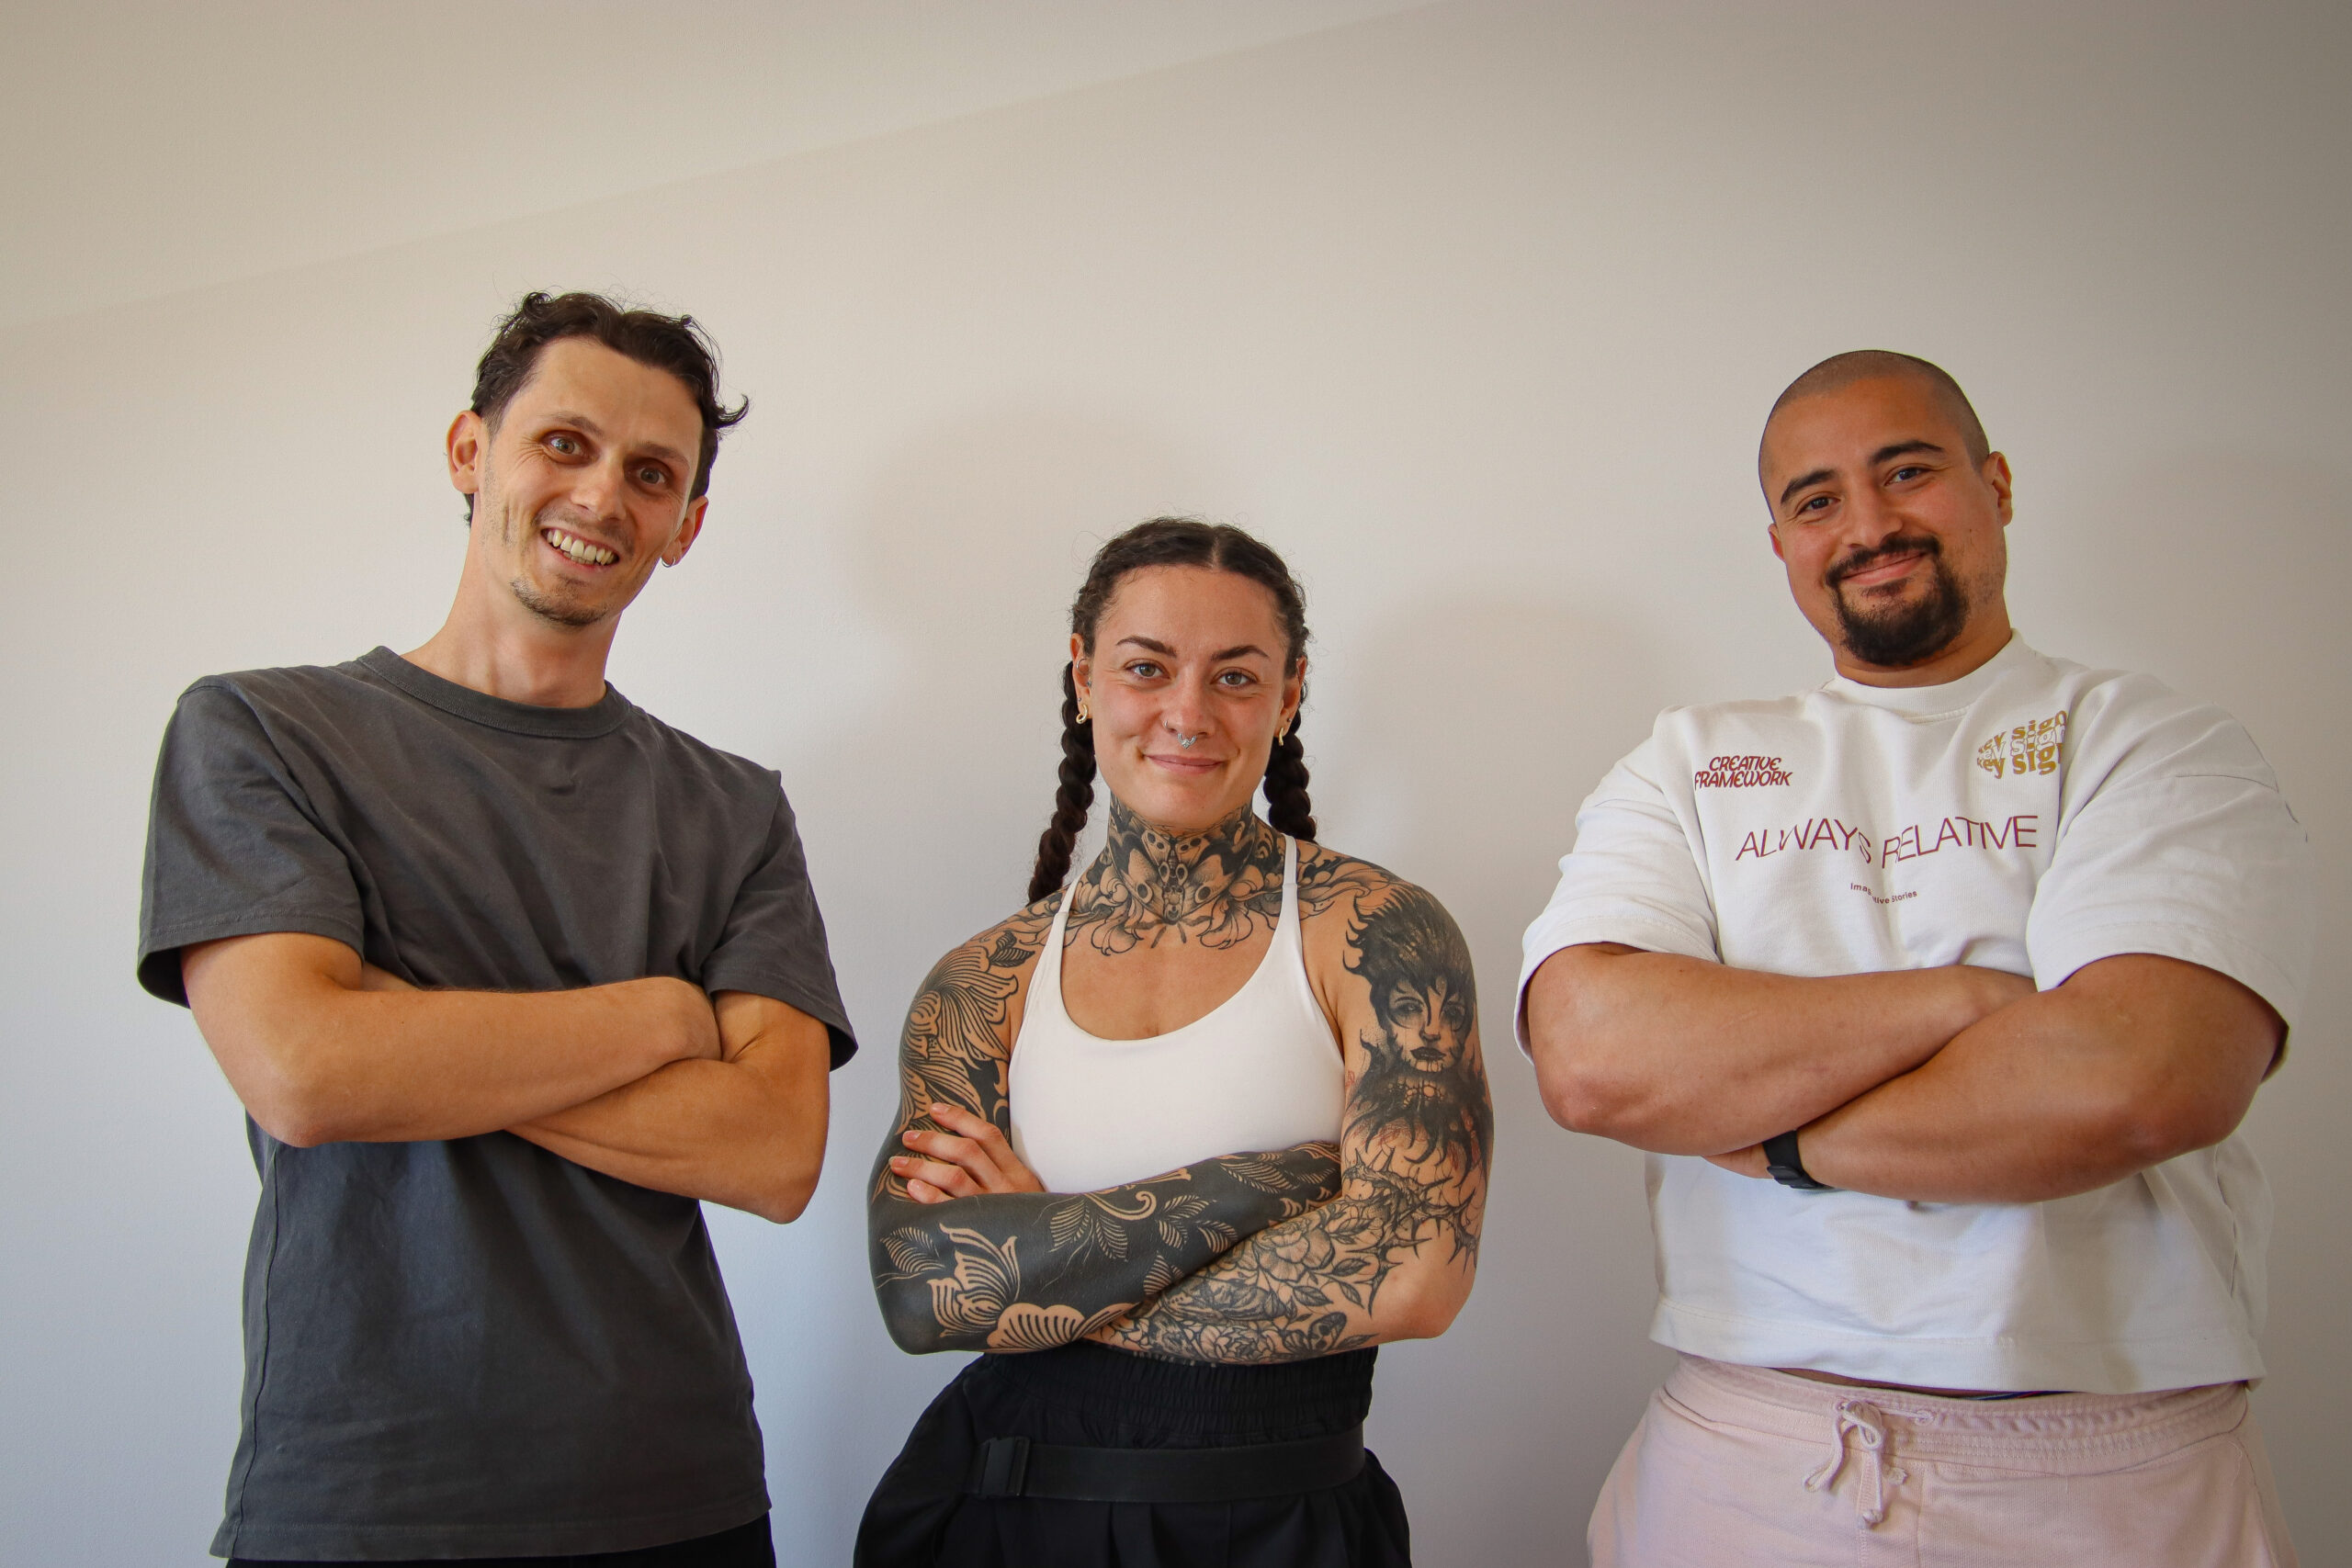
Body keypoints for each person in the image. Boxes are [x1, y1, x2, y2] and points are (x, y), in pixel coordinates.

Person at [1519, 350, 2317, 1565]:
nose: (1868, 526)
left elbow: (2139, 1081)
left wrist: (1777, 1142)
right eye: (1817, 499)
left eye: (1907, 472)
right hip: (1751, 1452)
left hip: (2110, 1461)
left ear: (1996, 484)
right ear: (1780, 543)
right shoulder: (1689, 762)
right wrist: (1971, 1000)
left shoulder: (2150, 742)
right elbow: (1592, 1059)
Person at [137, 292, 856, 1566]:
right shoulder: (263, 733)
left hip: (677, 1490)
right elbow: (303, 1073)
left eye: (651, 473)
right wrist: (660, 1015)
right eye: (564, 444)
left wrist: (398, 1029)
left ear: (685, 526)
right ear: (471, 451)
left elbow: (771, 1150)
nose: (602, 496)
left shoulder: (733, 808)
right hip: (368, 1490)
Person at [854, 518, 1492, 1567]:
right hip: (1009, 1513)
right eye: (1146, 667)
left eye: (1235, 677)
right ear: (1084, 678)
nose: (1187, 713)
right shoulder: (985, 980)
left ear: (1289, 695)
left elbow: (1413, 1276)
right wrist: (1274, 1185)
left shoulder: (1376, 934)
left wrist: (1042, 1261)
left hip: (1284, 1524)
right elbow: (923, 1292)